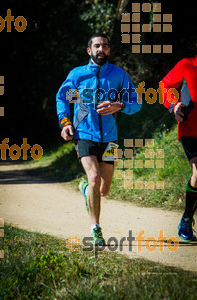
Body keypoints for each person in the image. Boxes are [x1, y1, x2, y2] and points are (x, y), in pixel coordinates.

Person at [56, 32, 141, 245]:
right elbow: (61, 99)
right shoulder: (77, 75)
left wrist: (119, 105)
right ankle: (95, 230)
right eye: (97, 46)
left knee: (103, 189)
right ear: (89, 50)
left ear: (109, 50)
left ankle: (86, 190)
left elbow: (136, 102)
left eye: (104, 46)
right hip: (84, 134)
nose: (101, 49)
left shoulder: (119, 75)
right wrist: (65, 123)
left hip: (110, 138)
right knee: (93, 176)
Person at [161, 55, 197, 241]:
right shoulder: (186, 65)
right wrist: (174, 106)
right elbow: (164, 86)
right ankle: (187, 217)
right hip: (190, 130)